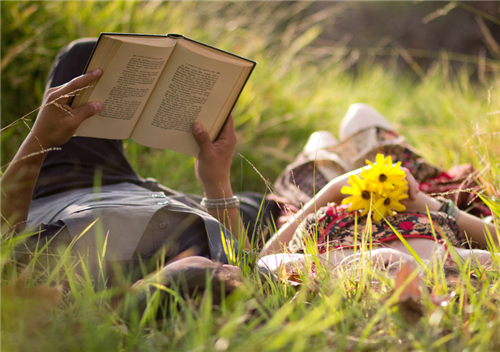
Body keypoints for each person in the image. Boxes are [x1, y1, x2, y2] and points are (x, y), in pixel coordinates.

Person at [1, 38, 278, 283]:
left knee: (85, 57)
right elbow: (241, 258)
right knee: (271, 207)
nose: (222, 269)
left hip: (70, 186)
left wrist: (39, 140)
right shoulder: (226, 262)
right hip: (175, 201)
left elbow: (5, 241)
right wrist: (216, 180)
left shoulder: (79, 260)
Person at [258, 104, 499, 278]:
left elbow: (262, 259)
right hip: (412, 191)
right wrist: (425, 204)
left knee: (319, 139)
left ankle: (343, 162)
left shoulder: (328, 265)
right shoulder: (445, 260)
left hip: (321, 196)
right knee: (360, 113)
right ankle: (355, 161)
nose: (385, 261)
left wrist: (336, 188)